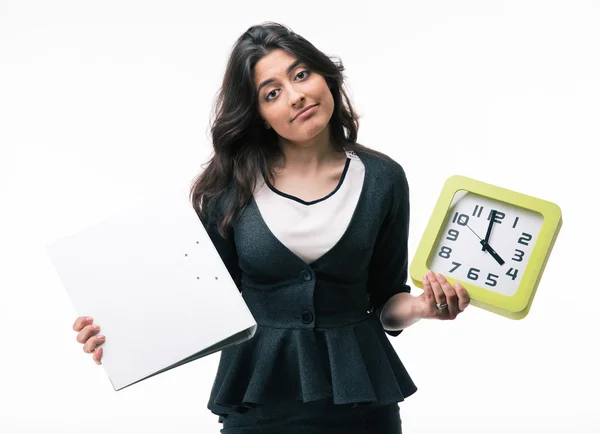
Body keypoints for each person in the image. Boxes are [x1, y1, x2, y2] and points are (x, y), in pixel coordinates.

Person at [72, 22, 470, 434]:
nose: (296, 95)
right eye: (272, 92)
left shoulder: (384, 178)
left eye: (301, 75)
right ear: (259, 115)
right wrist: (115, 335)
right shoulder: (230, 190)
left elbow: (387, 301)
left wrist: (423, 307)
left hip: (363, 402)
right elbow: (196, 303)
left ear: (325, 77)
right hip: (258, 403)